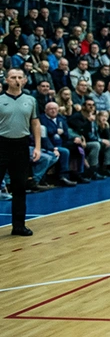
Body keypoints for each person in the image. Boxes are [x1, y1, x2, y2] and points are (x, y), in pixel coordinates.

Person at [0, 68, 41, 236]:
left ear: (24, 80)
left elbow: (35, 124)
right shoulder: (0, 99)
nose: (16, 80)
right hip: (2, 144)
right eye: (13, 77)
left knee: (19, 187)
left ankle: (18, 225)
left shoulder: (30, 100)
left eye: (19, 77)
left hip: (21, 146)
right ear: (7, 80)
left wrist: (37, 147)